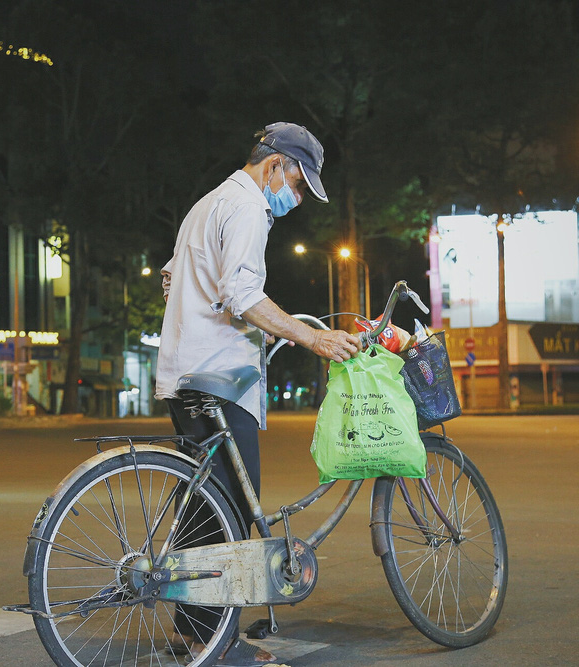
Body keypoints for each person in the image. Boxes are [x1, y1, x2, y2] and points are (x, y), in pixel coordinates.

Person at [155, 122, 360, 666]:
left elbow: (171, 277)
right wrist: (311, 335)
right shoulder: (246, 207)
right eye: (296, 184)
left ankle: (191, 631)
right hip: (218, 377)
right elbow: (243, 293)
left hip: (184, 371)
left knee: (205, 506)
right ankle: (215, 644)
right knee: (232, 511)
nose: (295, 198)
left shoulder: (209, 202)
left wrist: (222, 313)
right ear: (274, 165)